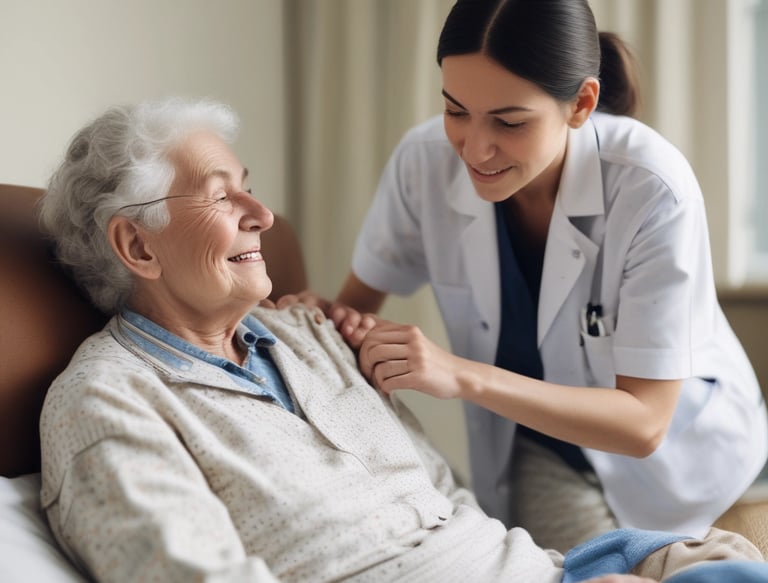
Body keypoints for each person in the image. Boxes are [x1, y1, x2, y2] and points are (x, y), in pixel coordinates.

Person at [36, 97, 767, 582]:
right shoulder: (106, 402)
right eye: (221, 193)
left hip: (543, 568)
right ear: (136, 244)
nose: (261, 211)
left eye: (249, 184)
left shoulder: (308, 337)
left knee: (727, 562)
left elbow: (445, 498)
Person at [280, 0, 768, 552]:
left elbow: (643, 423)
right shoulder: (424, 164)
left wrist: (458, 374)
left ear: (581, 103)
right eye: (455, 110)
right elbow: (356, 308)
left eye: (509, 122)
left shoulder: (651, 188)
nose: (475, 148)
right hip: (544, 452)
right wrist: (319, 324)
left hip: (682, 453)